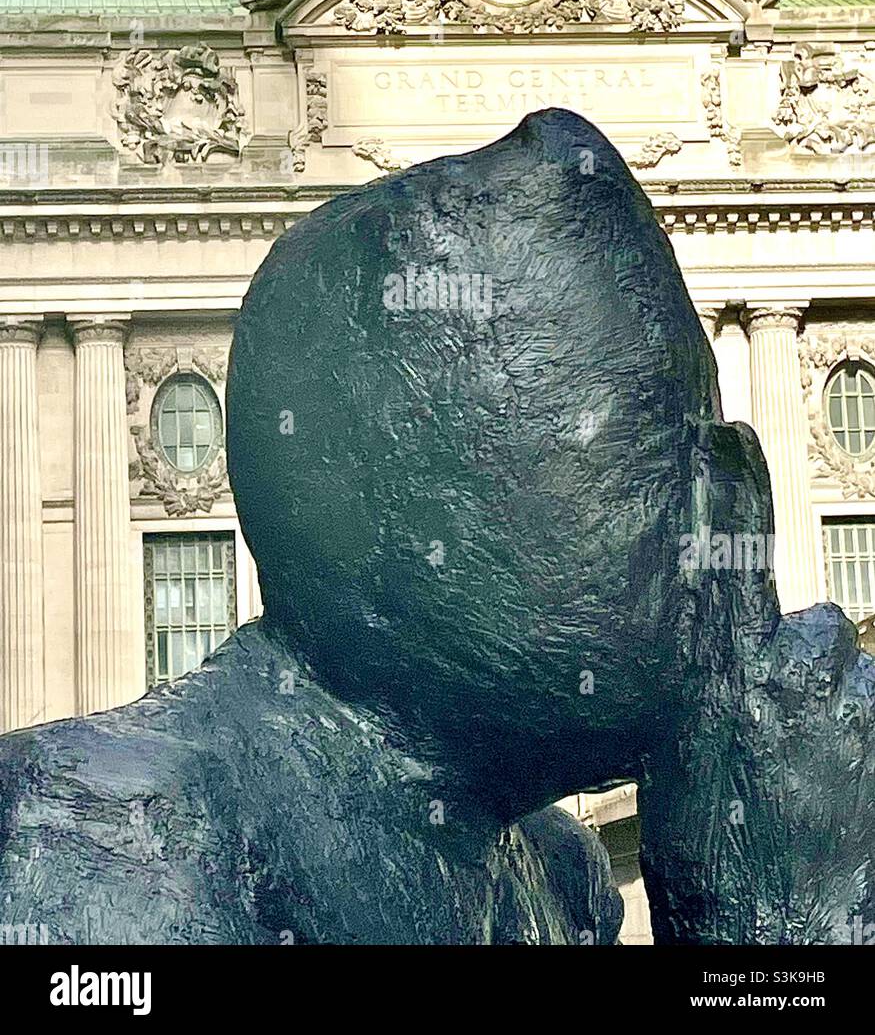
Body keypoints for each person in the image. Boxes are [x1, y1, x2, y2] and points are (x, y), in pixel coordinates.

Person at [0, 109, 871, 944]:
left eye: (711, 472)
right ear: (391, 482)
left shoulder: (558, 876)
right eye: (645, 446)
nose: (722, 524)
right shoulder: (104, 828)